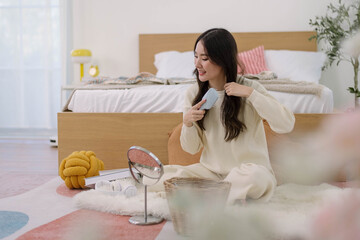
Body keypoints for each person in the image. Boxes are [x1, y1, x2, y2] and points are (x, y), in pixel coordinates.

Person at [146, 28, 295, 204]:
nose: (197, 64)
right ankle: (220, 194)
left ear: (223, 60)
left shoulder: (249, 89)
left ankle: (206, 195)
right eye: (196, 57)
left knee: (253, 177)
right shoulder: (193, 94)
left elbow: (286, 124)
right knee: (158, 176)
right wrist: (188, 123)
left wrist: (251, 94)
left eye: (205, 59)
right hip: (211, 173)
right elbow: (191, 148)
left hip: (248, 172)